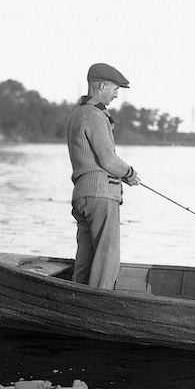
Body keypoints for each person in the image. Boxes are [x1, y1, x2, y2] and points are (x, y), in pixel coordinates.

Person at [66, 62, 140, 289]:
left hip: (83, 195)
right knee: (107, 258)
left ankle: (76, 301)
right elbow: (108, 160)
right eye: (115, 89)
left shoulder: (77, 113)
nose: (117, 95)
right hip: (101, 195)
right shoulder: (95, 115)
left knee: (86, 258)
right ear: (101, 86)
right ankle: (97, 304)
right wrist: (130, 173)